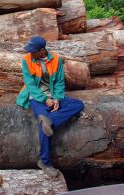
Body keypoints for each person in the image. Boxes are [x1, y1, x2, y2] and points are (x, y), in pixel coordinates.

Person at [16, 36, 84, 177]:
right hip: (35, 96)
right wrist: (44, 99)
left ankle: (50, 120)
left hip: (53, 95)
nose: (30, 53)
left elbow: (59, 82)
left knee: (78, 104)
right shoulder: (26, 60)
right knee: (43, 125)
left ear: (42, 50)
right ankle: (45, 162)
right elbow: (30, 84)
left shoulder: (56, 59)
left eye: (33, 51)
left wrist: (57, 99)